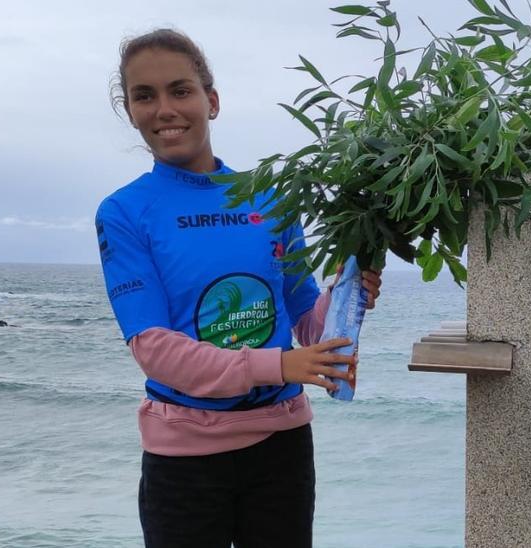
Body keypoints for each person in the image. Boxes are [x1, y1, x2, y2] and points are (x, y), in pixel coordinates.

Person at [95, 28, 382, 547]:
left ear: (212, 101)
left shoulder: (271, 199)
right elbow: (154, 349)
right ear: (130, 110)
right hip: (182, 460)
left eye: (180, 90)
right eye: (145, 96)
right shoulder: (123, 213)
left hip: (282, 446)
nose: (164, 109)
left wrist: (345, 296)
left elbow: (304, 320)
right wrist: (279, 364)